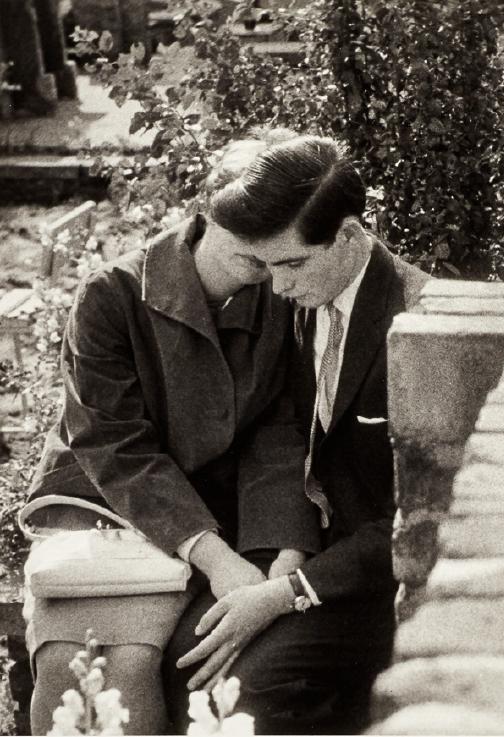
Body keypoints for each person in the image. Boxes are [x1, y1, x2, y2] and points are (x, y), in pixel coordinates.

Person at [21, 136, 321, 735]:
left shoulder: (282, 298)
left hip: (229, 511)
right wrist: (216, 559)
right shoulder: (110, 294)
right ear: (208, 211)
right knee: (83, 670)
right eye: (246, 237)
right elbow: (111, 443)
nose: (264, 259)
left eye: (276, 243)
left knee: (183, 666)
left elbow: (282, 429)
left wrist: (285, 552)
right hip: (103, 506)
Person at [165, 135, 431, 734]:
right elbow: (279, 430)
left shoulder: (419, 325)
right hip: (302, 549)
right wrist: (286, 552)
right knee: (187, 656)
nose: (276, 286)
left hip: (378, 581)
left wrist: (288, 591)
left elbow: (416, 518)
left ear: (349, 235)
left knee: (247, 688)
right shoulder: (305, 294)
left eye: (290, 265)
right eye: (266, 265)